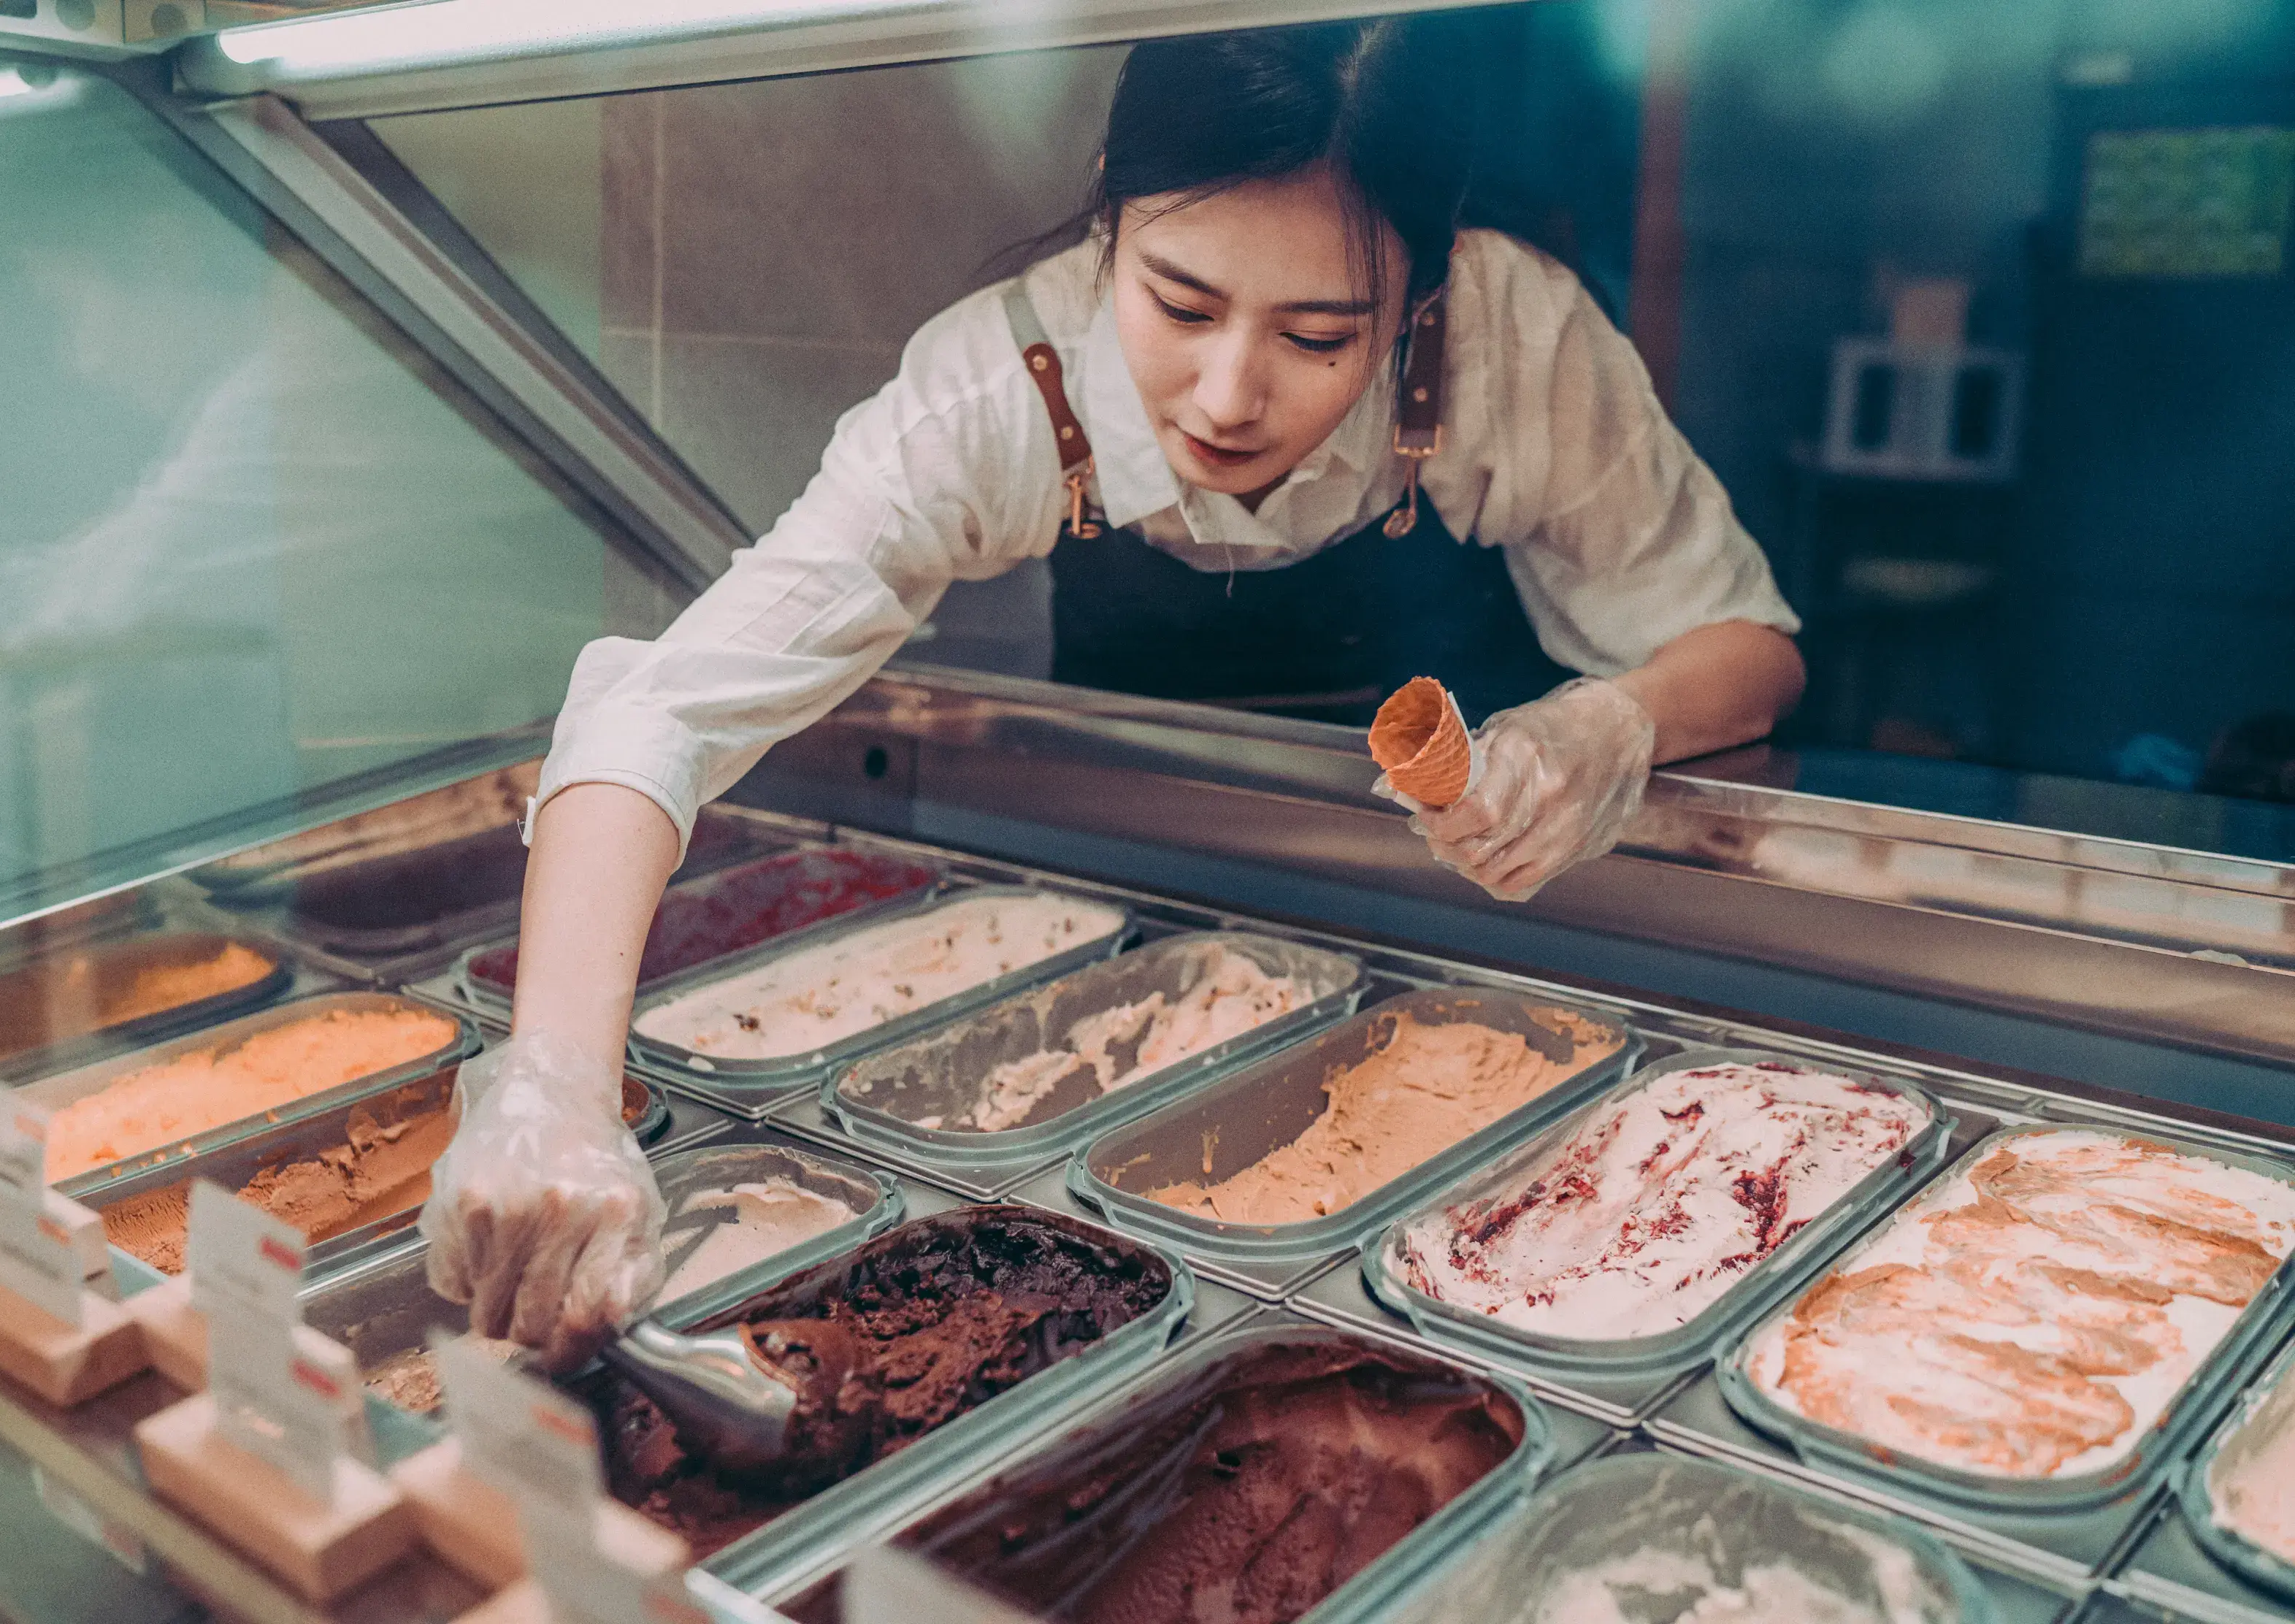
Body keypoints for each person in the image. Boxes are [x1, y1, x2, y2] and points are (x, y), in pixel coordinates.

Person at [421, 18, 1807, 1363]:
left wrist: (1610, 724)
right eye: (1179, 303)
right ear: (1110, 224)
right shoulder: (997, 385)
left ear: (1422, 301)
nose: (1227, 393)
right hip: (1146, 931)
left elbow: (1749, 645)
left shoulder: (1512, 340)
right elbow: (664, 709)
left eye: (1322, 339)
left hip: (1472, 953)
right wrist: (553, 1083)